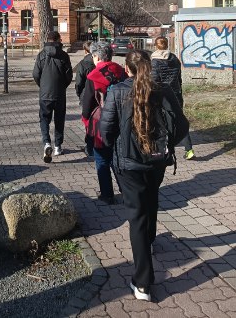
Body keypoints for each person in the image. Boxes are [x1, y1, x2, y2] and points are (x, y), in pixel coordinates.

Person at [99, 50, 189, 302]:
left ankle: (143, 283)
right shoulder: (163, 90)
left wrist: (114, 146)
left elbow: (105, 130)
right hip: (157, 160)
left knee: (137, 215)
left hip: (129, 164)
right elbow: (182, 125)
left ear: (126, 69)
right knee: (151, 198)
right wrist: (167, 144)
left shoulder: (117, 92)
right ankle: (149, 241)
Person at [81, 42, 126, 203]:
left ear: (97, 56)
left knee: (101, 158)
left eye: (93, 56)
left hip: (101, 122)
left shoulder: (93, 76)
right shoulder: (121, 71)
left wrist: (86, 119)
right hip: (121, 120)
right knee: (118, 156)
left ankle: (107, 194)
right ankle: (126, 191)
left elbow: (87, 104)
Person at [151, 36, 195, 160]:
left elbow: (154, 80)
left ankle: (167, 150)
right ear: (167, 45)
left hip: (162, 95)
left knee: (163, 123)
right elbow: (179, 78)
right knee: (179, 120)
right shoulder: (175, 59)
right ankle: (189, 149)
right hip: (176, 93)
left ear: (156, 46)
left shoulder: (154, 61)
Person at [33, 31, 73, 162]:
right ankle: (57, 146)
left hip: (45, 93)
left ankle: (46, 143)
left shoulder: (41, 54)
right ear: (58, 39)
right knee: (59, 119)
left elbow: (36, 74)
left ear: (48, 39)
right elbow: (69, 75)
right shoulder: (64, 55)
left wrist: (42, 86)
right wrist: (62, 86)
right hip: (59, 94)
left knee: (44, 119)